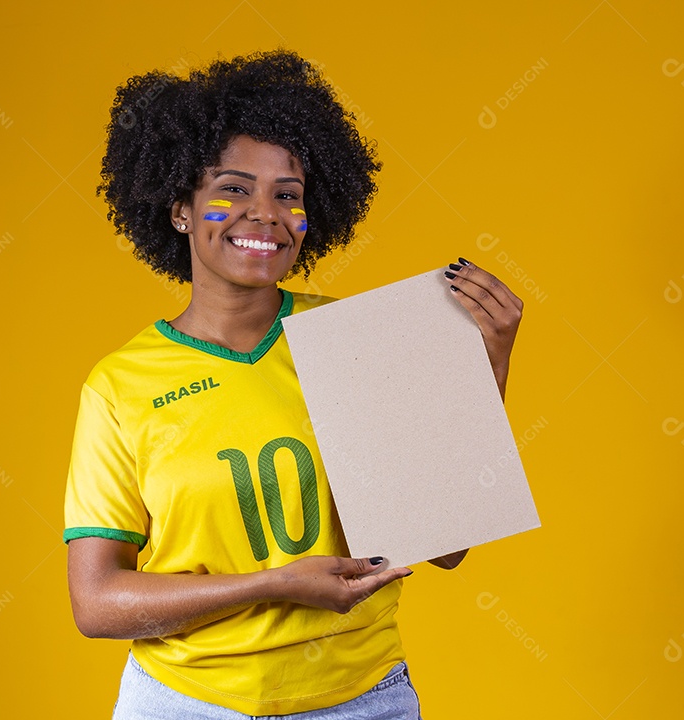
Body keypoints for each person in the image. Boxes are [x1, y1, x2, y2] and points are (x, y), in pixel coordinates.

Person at [63, 49, 523, 719]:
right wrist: (273, 586)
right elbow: (97, 602)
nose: (266, 213)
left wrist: (487, 367)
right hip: (186, 704)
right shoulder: (121, 385)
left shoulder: (355, 341)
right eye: (233, 189)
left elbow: (444, 546)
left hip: (360, 699)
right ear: (179, 209)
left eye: (288, 195)